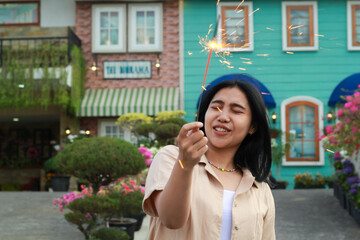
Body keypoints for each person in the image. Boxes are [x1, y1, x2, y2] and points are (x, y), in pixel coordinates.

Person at [142, 79, 276, 240]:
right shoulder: (171, 158)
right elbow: (171, 220)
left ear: (253, 126)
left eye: (236, 111)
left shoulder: (260, 189)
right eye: (216, 107)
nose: (223, 116)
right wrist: (185, 164)